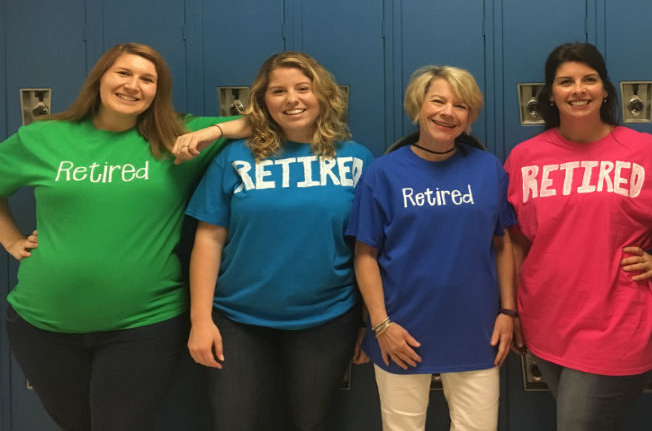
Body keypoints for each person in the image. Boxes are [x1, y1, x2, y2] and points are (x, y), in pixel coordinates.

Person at [0, 42, 246, 431]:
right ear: (100, 78)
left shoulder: (175, 139)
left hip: (143, 325)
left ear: (157, 92)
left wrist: (213, 130)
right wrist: (11, 239)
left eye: (148, 79)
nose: (134, 85)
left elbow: (262, 122)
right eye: (124, 73)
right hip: (42, 324)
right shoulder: (43, 137)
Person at [504, 42, 652, 430]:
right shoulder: (525, 157)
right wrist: (514, 310)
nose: (578, 89)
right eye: (566, 81)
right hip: (546, 322)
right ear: (551, 94)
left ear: (606, 89)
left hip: (615, 325)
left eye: (589, 79)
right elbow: (517, 240)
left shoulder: (643, 151)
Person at [185, 51, 373, 431]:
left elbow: (368, 248)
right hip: (237, 319)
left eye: (303, 88)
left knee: (311, 423)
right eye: (278, 91)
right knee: (235, 423)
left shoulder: (356, 159)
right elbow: (208, 240)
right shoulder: (235, 157)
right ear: (263, 101)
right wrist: (199, 319)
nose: (292, 100)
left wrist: (369, 321)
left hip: (327, 318)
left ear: (322, 96)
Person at [347, 65, 516, 431]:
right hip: (401, 332)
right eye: (438, 101)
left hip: (477, 329)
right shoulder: (383, 173)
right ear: (418, 107)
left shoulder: (488, 168)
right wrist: (380, 325)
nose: (448, 112)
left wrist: (508, 311)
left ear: (470, 115)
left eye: (461, 105)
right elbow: (365, 256)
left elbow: (502, 245)